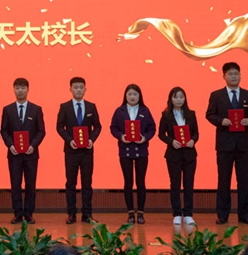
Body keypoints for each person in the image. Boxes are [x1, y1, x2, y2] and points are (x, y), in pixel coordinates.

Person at [206, 61, 248, 225]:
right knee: (224, 180)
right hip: (224, 144)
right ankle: (222, 215)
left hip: (244, 145)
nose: (234, 76)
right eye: (230, 74)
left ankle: (244, 215)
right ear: (224, 76)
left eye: (236, 73)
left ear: (240, 75)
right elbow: (209, 114)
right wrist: (220, 121)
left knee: (244, 181)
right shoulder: (216, 95)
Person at [56, 76, 101, 224]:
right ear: (70, 89)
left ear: (85, 89)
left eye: (81, 87)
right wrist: (70, 140)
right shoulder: (64, 107)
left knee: (87, 183)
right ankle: (71, 214)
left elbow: (97, 126)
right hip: (71, 151)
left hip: (87, 151)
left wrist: (91, 140)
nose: (78, 90)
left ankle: (87, 214)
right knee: (71, 183)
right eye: (75, 87)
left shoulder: (91, 107)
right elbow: (59, 127)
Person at [0, 78, 45, 224]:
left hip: (31, 154)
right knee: (15, 184)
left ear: (28, 89)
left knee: (30, 185)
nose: (20, 91)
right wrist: (10, 145)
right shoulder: (8, 109)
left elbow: (41, 131)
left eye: (23, 88)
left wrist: (33, 145)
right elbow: (4, 130)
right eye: (17, 88)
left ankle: (29, 213)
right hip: (14, 154)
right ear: (13, 89)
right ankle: (17, 213)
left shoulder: (36, 109)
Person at [110, 83, 156, 225]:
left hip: (141, 151)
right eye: (129, 94)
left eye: (135, 94)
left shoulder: (145, 111)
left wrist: (145, 138)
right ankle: (130, 213)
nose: (132, 97)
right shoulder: (119, 111)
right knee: (128, 182)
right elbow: (113, 128)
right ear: (125, 96)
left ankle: (140, 213)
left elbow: (152, 128)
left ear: (139, 96)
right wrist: (121, 136)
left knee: (141, 182)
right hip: (125, 151)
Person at [158, 86, 198, 225]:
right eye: (176, 97)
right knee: (175, 184)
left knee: (189, 184)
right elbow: (161, 134)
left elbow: (196, 133)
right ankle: (176, 213)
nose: (179, 100)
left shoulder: (191, 114)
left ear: (185, 98)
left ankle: (188, 214)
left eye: (181, 97)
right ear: (171, 99)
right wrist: (171, 141)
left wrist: (193, 140)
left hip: (189, 155)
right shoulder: (166, 115)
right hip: (173, 155)